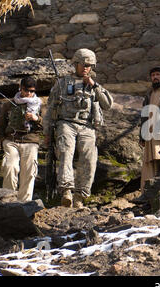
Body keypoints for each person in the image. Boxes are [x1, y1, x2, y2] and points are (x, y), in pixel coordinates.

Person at [43, 48, 113, 208]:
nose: (86, 68)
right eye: (83, 64)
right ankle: (66, 191)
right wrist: (47, 133)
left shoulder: (94, 86)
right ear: (76, 64)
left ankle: (80, 196)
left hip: (87, 127)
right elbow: (50, 108)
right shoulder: (62, 83)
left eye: (89, 65)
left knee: (89, 160)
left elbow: (108, 104)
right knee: (65, 153)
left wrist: (94, 86)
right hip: (66, 123)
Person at [0, 76, 43, 202]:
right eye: (26, 90)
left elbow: (46, 125)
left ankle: (25, 203)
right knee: (10, 167)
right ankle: (8, 200)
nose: (28, 93)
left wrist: (36, 118)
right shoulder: (8, 104)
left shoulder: (39, 105)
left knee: (29, 172)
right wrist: (2, 140)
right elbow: (0, 125)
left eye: (32, 91)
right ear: (20, 88)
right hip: (11, 140)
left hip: (31, 141)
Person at [136, 66, 160, 202]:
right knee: (149, 165)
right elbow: (144, 116)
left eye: (158, 75)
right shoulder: (149, 94)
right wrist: (141, 135)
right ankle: (146, 195)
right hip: (150, 133)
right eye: (153, 75)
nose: (155, 77)